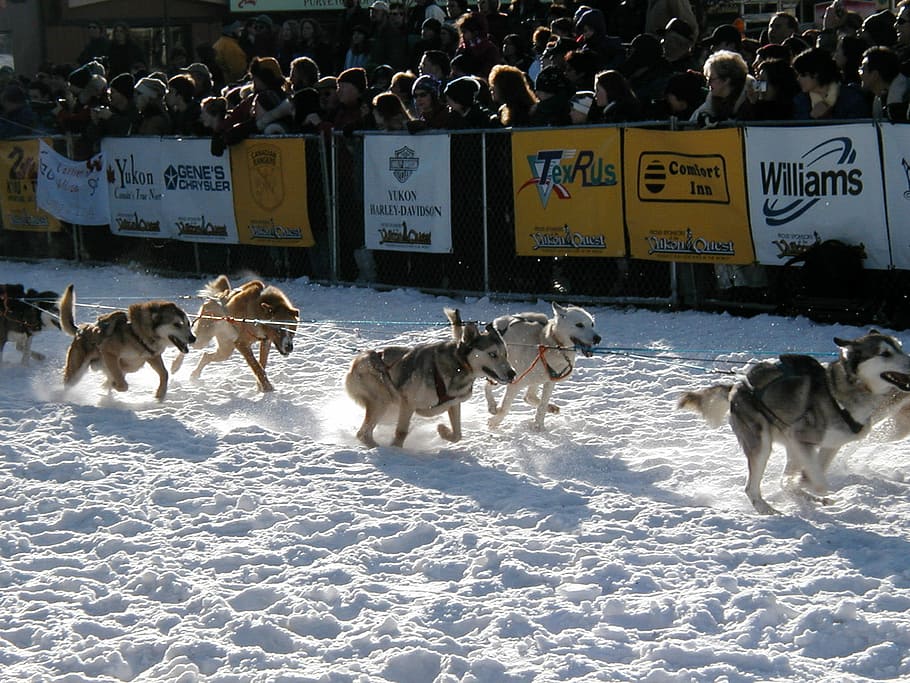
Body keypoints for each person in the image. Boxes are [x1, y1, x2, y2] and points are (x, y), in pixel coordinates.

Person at [792, 47, 869, 119]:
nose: (798, 79)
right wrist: (811, 117)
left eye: (802, 75)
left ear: (816, 74)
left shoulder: (852, 97)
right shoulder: (800, 102)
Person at [690, 49, 754, 127]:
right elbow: (690, 125)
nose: (708, 84)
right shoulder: (709, 105)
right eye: (707, 79)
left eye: (711, 79)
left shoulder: (751, 99)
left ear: (726, 80)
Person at [859, 45, 909, 121]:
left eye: (862, 69)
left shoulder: (904, 100)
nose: (859, 73)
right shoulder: (879, 100)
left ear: (875, 75)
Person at [87, 72, 139, 139]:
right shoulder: (110, 110)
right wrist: (95, 122)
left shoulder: (135, 112)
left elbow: (130, 130)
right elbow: (93, 137)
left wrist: (111, 117)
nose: (110, 95)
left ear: (122, 94)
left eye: (113, 92)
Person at [454, 13, 502, 79]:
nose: (462, 35)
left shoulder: (489, 49)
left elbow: (490, 72)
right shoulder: (462, 49)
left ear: (475, 32)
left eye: (464, 32)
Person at [213, 20, 249, 86]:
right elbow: (237, 70)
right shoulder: (231, 46)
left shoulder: (220, 43)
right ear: (231, 31)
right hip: (231, 84)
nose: (241, 29)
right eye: (237, 27)